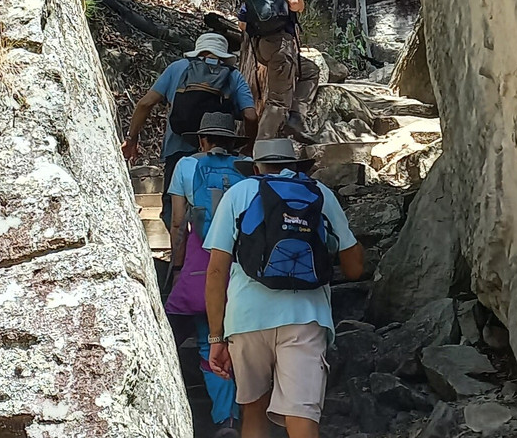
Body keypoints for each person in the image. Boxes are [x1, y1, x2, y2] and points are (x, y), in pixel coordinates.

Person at [203, 139, 364, 438]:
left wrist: (216, 337)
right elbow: (355, 268)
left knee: (253, 409)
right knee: (301, 415)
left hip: (247, 318)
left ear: (255, 167)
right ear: (295, 166)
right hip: (305, 316)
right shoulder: (319, 194)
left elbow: (215, 271)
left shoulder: (238, 193)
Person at [166, 112, 250, 438]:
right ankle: (252, 410)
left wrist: (176, 268)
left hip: (203, 265)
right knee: (240, 338)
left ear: (202, 140)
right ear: (232, 141)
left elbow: (177, 225)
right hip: (243, 268)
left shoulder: (185, 167)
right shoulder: (248, 165)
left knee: (208, 340)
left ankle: (225, 419)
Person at [121, 32, 257, 229]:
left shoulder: (178, 68)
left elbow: (145, 104)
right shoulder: (233, 75)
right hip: (218, 152)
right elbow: (251, 116)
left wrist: (132, 139)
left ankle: (181, 256)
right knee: (214, 207)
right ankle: (209, 252)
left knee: (173, 208)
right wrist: (248, 147)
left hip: (177, 149)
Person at [238, 0, 321, 142]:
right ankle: (262, 148)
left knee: (310, 71)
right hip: (281, 45)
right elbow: (293, 2)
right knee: (277, 101)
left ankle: (296, 116)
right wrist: (300, 5)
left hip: (262, 47)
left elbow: (241, 23)